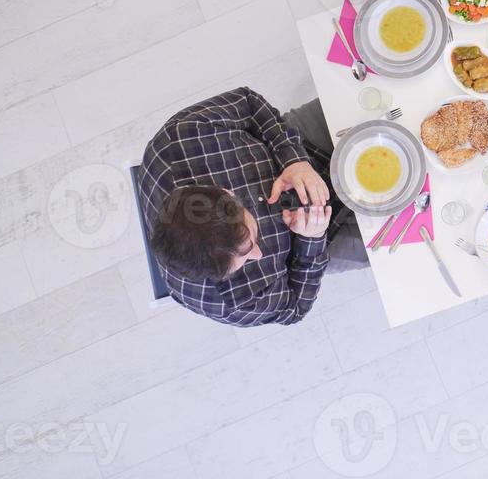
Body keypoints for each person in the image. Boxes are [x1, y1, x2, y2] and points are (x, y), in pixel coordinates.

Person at [138, 88, 365, 327]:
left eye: (249, 244)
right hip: (324, 235)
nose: (258, 255)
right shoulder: (232, 303)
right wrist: (313, 239)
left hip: (296, 145)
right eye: (244, 259)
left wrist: (294, 160)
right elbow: (295, 307)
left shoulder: (183, 135)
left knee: (370, 96)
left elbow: (248, 103)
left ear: (226, 193)